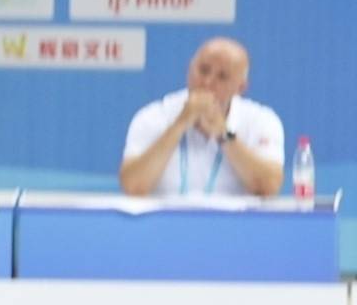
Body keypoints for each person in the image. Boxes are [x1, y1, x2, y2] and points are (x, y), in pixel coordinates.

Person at [119, 37, 284, 199]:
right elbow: (133, 186)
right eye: (203, 70)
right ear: (190, 69)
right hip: (166, 224)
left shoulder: (261, 120)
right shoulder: (154, 116)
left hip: (233, 225)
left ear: (240, 87)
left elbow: (269, 186)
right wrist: (179, 125)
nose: (207, 82)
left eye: (222, 76)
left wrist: (224, 135)